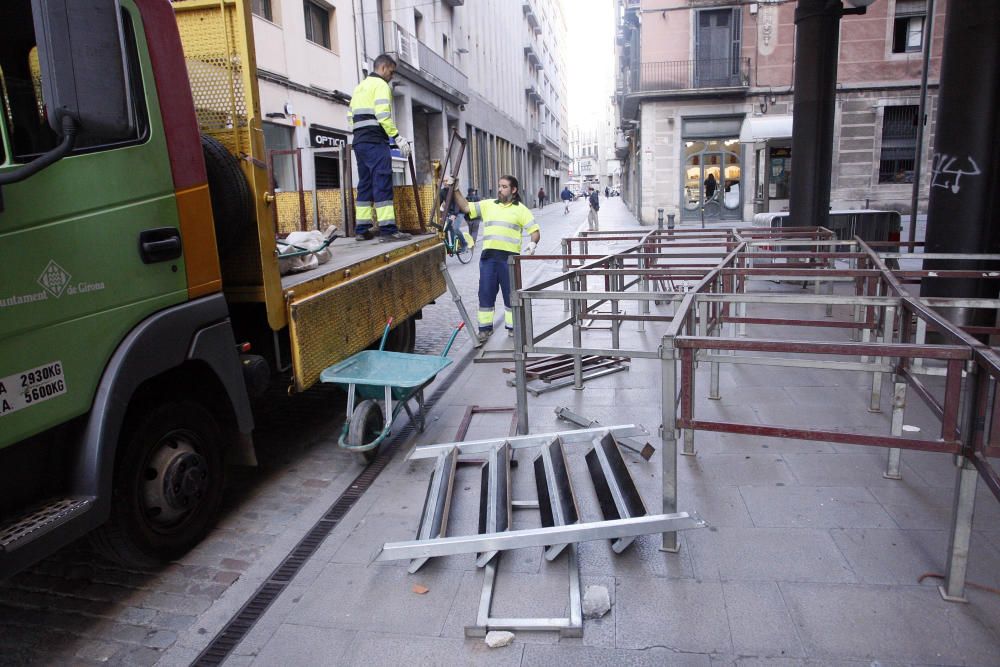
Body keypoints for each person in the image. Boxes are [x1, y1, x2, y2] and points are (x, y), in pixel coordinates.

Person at [448, 174, 540, 341]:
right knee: (485, 293)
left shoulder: (521, 210)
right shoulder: (488, 205)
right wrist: (455, 189)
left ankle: (513, 328)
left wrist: (533, 244)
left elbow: (534, 232)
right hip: (488, 258)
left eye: (504, 187)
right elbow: (466, 207)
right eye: (499, 186)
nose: (500, 189)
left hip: (509, 260)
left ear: (513, 190)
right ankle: (484, 329)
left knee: (510, 295)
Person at [347, 54, 411, 243]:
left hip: (359, 141)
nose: (392, 76)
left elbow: (350, 117)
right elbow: (383, 116)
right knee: (382, 180)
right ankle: (388, 230)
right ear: (383, 68)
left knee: (365, 183)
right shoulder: (381, 86)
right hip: (375, 141)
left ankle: (362, 229)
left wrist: (362, 132)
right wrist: (397, 137)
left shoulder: (360, 87)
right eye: (391, 72)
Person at [438, 182, 469, 252]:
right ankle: (450, 248)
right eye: (444, 181)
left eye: (447, 181)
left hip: (459, 212)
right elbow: (438, 203)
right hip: (450, 213)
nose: (445, 182)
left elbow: (457, 204)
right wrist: (436, 214)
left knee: (455, 228)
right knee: (445, 229)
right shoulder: (442, 192)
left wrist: (454, 214)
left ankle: (464, 244)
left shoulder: (454, 191)